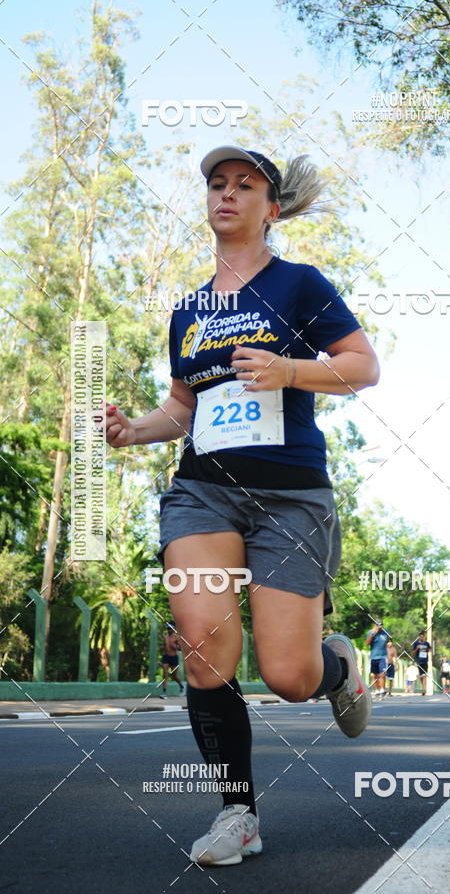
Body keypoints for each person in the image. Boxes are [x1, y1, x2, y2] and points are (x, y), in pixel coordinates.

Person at [103, 145, 380, 867]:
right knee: (203, 649)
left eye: (244, 185)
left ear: (271, 208)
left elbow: (362, 366)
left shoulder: (299, 285)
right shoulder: (190, 310)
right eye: (217, 185)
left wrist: (289, 368)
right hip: (204, 490)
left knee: (288, 675)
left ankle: (338, 670)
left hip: (290, 493)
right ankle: (238, 813)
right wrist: (136, 430)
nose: (226, 195)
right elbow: (183, 407)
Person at [366, 620, 390, 701]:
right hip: (373, 657)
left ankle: (382, 690)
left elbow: (389, 641)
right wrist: (372, 634)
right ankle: (376, 691)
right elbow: (367, 643)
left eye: (381, 626)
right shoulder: (370, 632)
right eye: (378, 626)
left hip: (383, 657)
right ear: (375, 625)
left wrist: (389, 643)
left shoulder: (385, 632)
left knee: (382, 674)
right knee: (374, 675)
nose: (380, 627)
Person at [159, 625, 185, 698]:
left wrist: (175, 647)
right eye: (168, 628)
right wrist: (162, 647)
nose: (168, 630)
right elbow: (165, 646)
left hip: (174, 657)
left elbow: (180, 648)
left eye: (170, 628)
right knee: (164, 674)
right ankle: (164, 692)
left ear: (173, 629)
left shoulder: (176, 637)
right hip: (166, 657)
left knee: (174, 676)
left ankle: (182, 687)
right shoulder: (166, 637)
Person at [411, 629, 432, 695]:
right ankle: (423, 687)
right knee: (421, 676)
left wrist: (426, 648)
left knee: (424, 675)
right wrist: (417, 648)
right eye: (420, 637)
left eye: (423, 637)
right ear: (419, 637)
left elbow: (430, 650)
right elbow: (413, 652)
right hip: (419, 661)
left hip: (425, 661)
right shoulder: (416, 643)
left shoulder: (426, 643)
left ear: (424, 637)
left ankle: (424, 689)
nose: (422, 638)